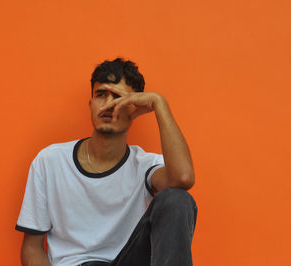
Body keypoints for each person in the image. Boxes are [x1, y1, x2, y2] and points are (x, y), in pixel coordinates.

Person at [15, 58, 197, 266]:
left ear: (135, 107)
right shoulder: (51, 161)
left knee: (177, 199)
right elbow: (32, 247)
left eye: (119, 98)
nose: (109, 105)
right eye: (101, 95)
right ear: (90, 104)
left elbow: (183, 178)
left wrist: (159, 103)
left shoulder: (146, 165)